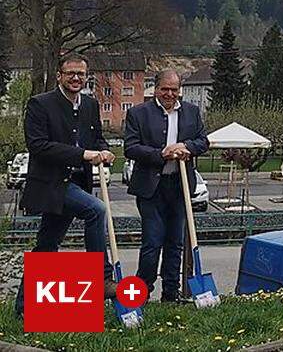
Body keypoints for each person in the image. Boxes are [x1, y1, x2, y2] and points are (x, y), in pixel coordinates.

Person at [15, 54, 117, 317]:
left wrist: (104, 151)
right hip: (50, 184)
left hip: (77, 182)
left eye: (81, 74)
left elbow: (97, 138)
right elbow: (37, 146)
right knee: (96, 210)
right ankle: (102, 277)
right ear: (59, 75)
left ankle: (23, 309)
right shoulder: (40, 104)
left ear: (87, 76)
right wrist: (83, 154)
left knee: (46, 246)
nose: (76, 78)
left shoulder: (90, 105)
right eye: (70, 73)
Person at [124, 69, 210, 302]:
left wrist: (185, 146)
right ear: (156, 88)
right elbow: (130, 148)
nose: (170, 94)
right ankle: (141, 292)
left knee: (175, 242)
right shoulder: (138, 113)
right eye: (165, 89)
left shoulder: (192, 112)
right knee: (152, 242)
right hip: (151, 188)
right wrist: (161, 153)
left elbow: (203, 141)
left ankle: (171, 295)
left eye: (174, 90)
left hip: (180, 185)